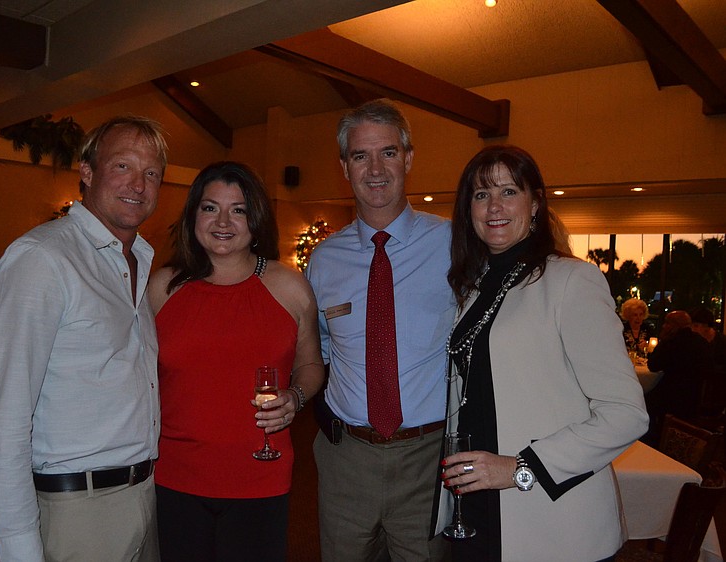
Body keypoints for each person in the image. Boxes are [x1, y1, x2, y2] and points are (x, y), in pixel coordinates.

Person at [437, 145, 648, 561]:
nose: (494, 206)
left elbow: (626, 413)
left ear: (535, 203)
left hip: (547, 511)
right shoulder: (474, 287)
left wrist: (520, 467)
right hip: (477, 501)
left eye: (509, 191)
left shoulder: (572, 280)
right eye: (481, 195)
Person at [0, 115, 168, 561]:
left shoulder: (136, 262)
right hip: (77, 512)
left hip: (143, 495)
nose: (138, 185)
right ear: (87, 172)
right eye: (122, 166)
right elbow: (4, 422)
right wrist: (19, 550)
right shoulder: (42, 259)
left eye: (152, 173)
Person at [147, 161, 325, 561]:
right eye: (210, 208)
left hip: (260, 477)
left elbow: (311, 364)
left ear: (256, 219)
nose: (223, 221)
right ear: (194, 215)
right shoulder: (163, 287)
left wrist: (295, 397)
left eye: (238, 209)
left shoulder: (288, 286)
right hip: (176, 478)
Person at [304, 98, 455, 561]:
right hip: (346, 457)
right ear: (344, 167)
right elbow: (321, 349)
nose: (375, 168)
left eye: (387, 152)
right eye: (359, 155)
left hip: (428, 459)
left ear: (408, 158)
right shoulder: (324, 259)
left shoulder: (454, 243)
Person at [644, 310, 715, 443]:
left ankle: (650, 440)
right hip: (694, 398)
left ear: (673, 326)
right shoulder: (702, 343)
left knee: (643, 399)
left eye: (666, 323)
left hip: (671, 397)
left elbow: (653, 366)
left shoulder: (671, 342)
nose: (664, 326)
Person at [690, 306, 726, 417]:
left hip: (718, 393)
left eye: (696, 326)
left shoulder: (722, 343)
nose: (692, 329)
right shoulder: (695, 342)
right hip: (697, 391)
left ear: (706, 326)